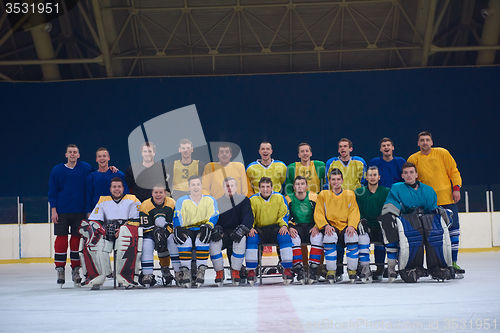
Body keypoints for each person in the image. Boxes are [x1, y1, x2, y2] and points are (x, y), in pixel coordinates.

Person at [380, 162, 452, 283]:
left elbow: (432, 208)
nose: (409, 175)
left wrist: (440, 212)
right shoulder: (397, 188)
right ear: (402, 175)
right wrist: (390, 217)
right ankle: (411, 268)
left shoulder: (428, 190)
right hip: (408, 220)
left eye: (411, 172)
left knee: (436, 235)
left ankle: (438, 267)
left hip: (427, 220)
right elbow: (391, 205)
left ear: (416, 174)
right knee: (413, 237)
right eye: (406, 173)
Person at [407, 131, 464, 278]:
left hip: (447, 200)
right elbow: (412, 180)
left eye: (427, 140)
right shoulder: (413, 158)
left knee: (453, 231)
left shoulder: (442, 153)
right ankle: (434, 265)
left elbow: (454, 171)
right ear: (418, 143)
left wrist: (456, 188)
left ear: (432, 142)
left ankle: (454, 261)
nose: (425, 142)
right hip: (427, 204)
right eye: (422, 140)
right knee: (430, 236)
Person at [80, 177, 142, 289]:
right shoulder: (103, 200)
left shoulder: (133, 199)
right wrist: (99, 231)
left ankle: (125, 276)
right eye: (114, 187)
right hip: (106, 232)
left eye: (119, 187)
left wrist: (123, 228)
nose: (116, 189)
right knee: (94, 240)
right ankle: (98, 275)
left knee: (125, 238)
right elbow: (95, 220)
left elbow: (136, 220)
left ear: (123, 188)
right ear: (110, 189)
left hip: (124, 230)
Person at [310, 168, 367, 284]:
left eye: (338, 179)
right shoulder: (323, 194)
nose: (336, 182)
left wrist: (351, 225)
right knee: (329, 237)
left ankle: (352, 270)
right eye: (333, 179)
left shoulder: (350, 194)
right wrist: (325, 225)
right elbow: (319, 213)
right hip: (331, 226)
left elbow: (354, 211)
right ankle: (331, 270)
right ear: (329, 181)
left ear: (342, 180)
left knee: (352, 237)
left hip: (346, 225)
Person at [48, 144, 94, 288]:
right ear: (66, 154)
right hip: (62, 211)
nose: (73, 154)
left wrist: (112, 171)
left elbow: (98, 175)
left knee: (76, 241)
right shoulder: (57, 170)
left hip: (79, 211)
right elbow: (52, 191)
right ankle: (60, 269)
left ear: (78, 155)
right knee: (61, 240)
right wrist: (54, 210)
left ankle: (76, 270)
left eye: (75, 152)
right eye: (70, 152)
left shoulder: (85, 168)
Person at [245, 177, 294, 285]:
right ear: (259, 188)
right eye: (263, 187)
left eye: (268, 187)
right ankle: (252, 271)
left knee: (285, 236)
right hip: (259, 229)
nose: (265, 189)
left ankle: (287, 269)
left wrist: (284, 226)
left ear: (272, 187)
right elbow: (250, 216)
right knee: (251, 238)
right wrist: (250, 227)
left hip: (275, 228)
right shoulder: (253, 199)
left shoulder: (279, 197)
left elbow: (284, 214)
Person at [173, 175, 218, 288]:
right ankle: (186, 272)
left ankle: (201, 271)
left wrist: (209, 225)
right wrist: (178, 227)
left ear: (202, 186)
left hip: (202, 229)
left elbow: (214, 215)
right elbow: (177, 216)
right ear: (189, 187)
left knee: (202, 240)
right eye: (193, 185)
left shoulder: (210, 200)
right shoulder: (181, 200)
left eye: (198, 184)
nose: (196, 187)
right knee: (184, 241)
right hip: (187, 229)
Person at [210, 177, 254, 286]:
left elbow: (248, 217)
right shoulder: (217, 202)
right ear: (223, 188)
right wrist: (216, 227)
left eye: (232, 186)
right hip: (223, 232)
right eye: (227, 186)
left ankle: (236, 271)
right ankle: (219, 271)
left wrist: (243, 228)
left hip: (238, 231)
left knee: (241, 239)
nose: (230, 188)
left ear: (236, 187)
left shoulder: (243, 200)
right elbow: (214, 218)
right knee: (214, 242)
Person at [354, 166, 390, 282]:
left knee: (388, 237)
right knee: (362, 237)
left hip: (380, 225)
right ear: (366, 177)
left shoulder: (386, 191)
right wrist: (360, 220)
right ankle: (364, 267)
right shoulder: (359, 192)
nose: (372, 177)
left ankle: (381, 268)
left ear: (379, 177)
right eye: (370, 175)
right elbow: (356, 210)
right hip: (366, 225)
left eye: (375, 175)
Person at [138, 184, 177, 287]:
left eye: (161, 192)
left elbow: (174, 223)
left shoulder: (172, 203)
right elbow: (145, 227)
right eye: (156, 192)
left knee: (172, 241)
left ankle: (177, 272)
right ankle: (147, 274)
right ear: (152, 193)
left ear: (165, 193)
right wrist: (156, 233)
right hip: (150, 233)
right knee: (146, 245)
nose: (158, 195)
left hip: (167, 232)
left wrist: (165, 233)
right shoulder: (145, 205)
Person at [285, 176, 317, 284]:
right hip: (297, 226)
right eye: (297, 184)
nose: (300, 186)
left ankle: (313, 269)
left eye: (302, 184)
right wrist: (290, 227)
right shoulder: (288, 198)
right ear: (294, 187)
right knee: (293, 239)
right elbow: (286, 215)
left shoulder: (314, 197)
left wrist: (317, 226)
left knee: (317, 238)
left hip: (312, 226)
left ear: (307, 186)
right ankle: (299, 269)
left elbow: (320, 213)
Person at [86, 147, 128, 214]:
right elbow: (88, 197)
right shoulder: (91, 177)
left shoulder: (118, 174)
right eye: (99, 156)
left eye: (104, 156)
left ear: (108, 158)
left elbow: (126, 194)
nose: (102, 158)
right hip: (97, 213)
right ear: (96, 159)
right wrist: (88, 213)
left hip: (117, 212)